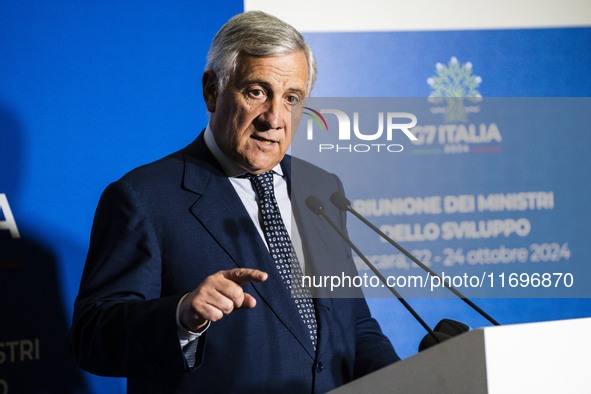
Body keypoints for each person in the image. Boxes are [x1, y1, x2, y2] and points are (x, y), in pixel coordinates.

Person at [69, 10, 399, 393]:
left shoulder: (320, 188)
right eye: (257, 92)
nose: (274, 118)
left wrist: (417, 378)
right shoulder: (143, 198)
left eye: (292, 98)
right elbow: (92, 338)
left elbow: (353, 324)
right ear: (212, 91)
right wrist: (181, 315)